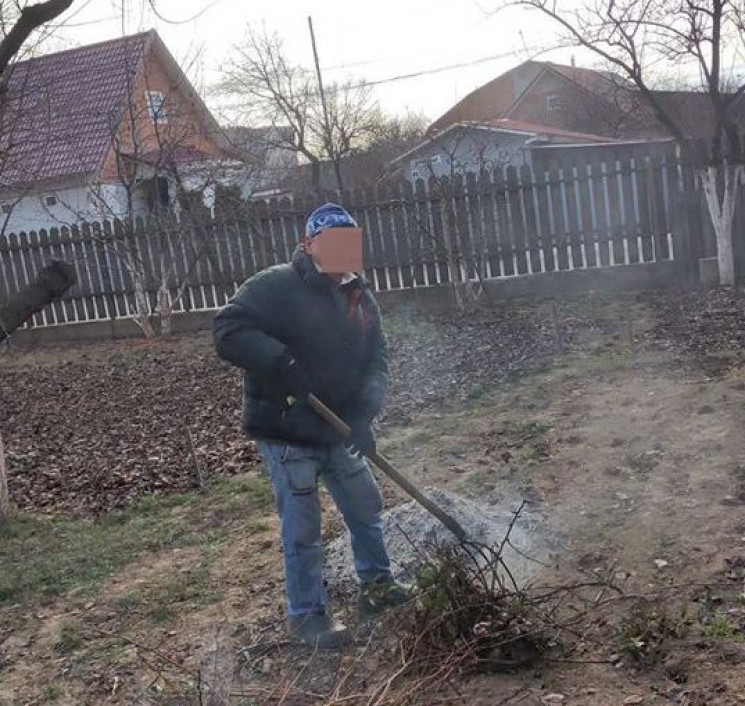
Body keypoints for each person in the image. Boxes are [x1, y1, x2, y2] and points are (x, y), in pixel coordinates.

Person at [213, 203, 409, 649]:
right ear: (309, 244)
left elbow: (377, 361)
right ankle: (307, 618)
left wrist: (364, 414)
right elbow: (227, 329)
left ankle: (377, 587)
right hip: (287, 430)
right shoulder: (275, 286)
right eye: (333, 241)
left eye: (350, 240)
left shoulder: (360, 294)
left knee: (365, 504)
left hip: (337, 427)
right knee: (302, 528)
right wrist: (280, 361)